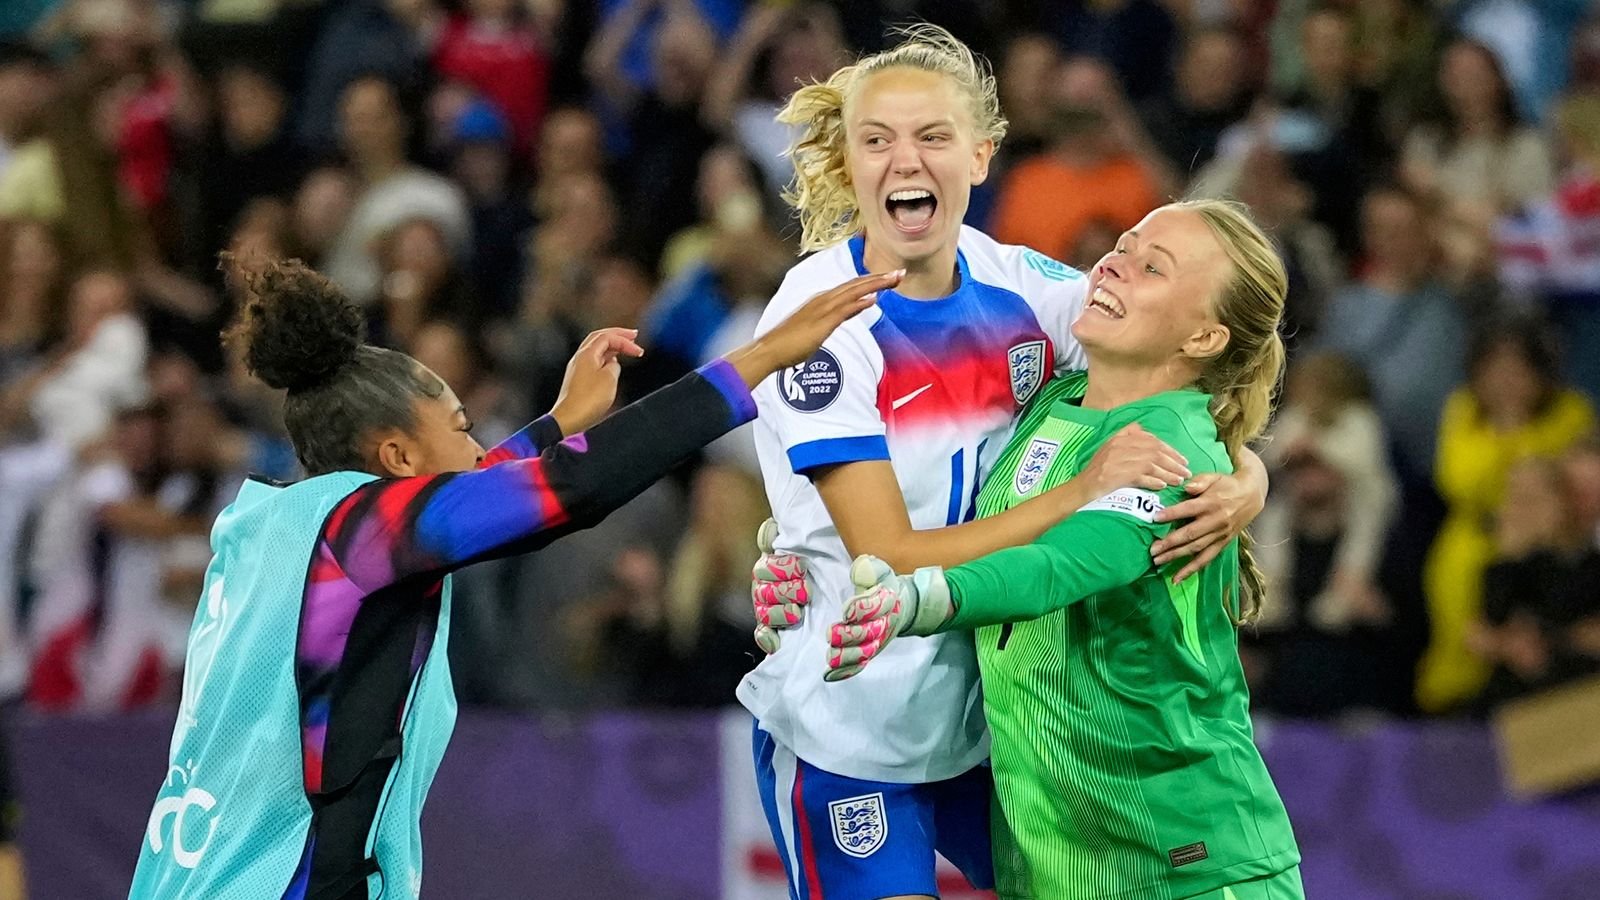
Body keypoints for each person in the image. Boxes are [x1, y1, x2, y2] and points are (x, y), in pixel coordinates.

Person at [126, 256, 893, 899]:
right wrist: (760, 361)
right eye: (460, 430)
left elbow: (473, 496)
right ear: (396, 458)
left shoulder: (276, 529)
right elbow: (569, 493)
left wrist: (558, 421)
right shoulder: (364, 534)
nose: (477, 445)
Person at [741, 26, 1269, 900]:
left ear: (982, 155)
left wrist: (1245, 481)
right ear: (849, 160)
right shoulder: (819, 326)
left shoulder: (1022, 288)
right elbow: (890, 556)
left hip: (993, 729)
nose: (906, 161)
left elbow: (1175, 364)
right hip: (853, 727)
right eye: (877, 139)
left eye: (934, 137)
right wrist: (1085, 492)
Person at [825, 200, 1303, 900]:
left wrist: (919, 598)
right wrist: (803, 556)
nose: (1114, 264)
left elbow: (1060, 566)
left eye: (1151, 268)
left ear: (1203, 338)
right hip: (1058, 870)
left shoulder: (1177, 454)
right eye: (1124, 245)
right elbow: (932, 493)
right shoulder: (1050, 401)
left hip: (1189, 869)